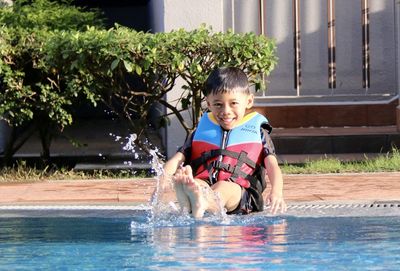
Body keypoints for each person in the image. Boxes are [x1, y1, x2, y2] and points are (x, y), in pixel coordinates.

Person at [161, 67, 286, 218]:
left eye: (233, 103)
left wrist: (276, 192)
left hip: (242, 194)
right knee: (197, 184)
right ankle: (193, 197)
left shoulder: (259, 132)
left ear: (249, 101)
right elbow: (176, 159)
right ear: (208, 103)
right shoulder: (201, 130)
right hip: (206, 183)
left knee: (222, 188)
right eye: (218, 104)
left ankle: (196, 201)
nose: (226, 111)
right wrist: (162, 182)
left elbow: (273, 166)